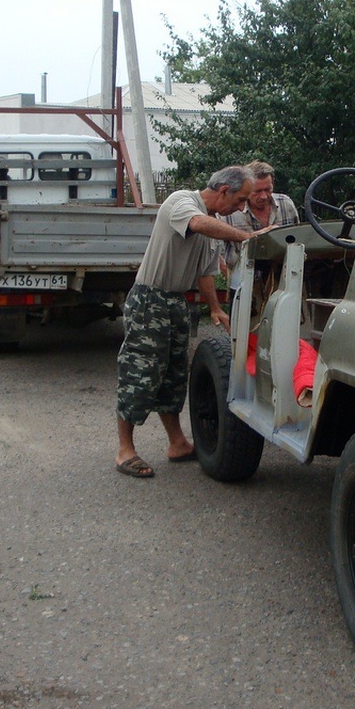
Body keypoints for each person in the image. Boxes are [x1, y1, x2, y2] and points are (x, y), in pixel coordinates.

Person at [115, 165, 262, 479]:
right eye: (240, 200)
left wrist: (215, 308)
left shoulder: (214, 225)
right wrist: (247, 237)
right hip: (149, 299)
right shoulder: (182, 202)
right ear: (224, 190)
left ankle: (178, 443)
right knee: (140, 371)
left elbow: (205, 272)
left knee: (174, 375)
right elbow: (197, 223)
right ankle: (125, 449)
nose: (241, 208)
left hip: (176, 302)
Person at [220, 160, 299, 272]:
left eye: (268, 190)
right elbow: (217, 253)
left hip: (283, 275)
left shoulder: (286, 204)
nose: (263, 196)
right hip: (243, 278)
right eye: (257, 191)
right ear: (245, 188)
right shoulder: (229, 213)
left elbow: (298, 240)